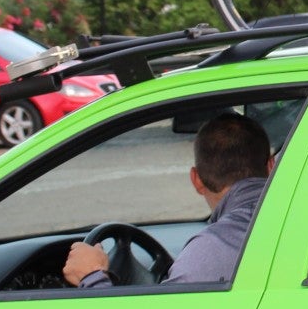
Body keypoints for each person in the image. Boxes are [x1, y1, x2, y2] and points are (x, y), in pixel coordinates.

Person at [62, 111, 274, 287]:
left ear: (196, 180)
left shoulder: (214, 249)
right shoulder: (296, 218)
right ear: (271, 165)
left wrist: (92, 277)